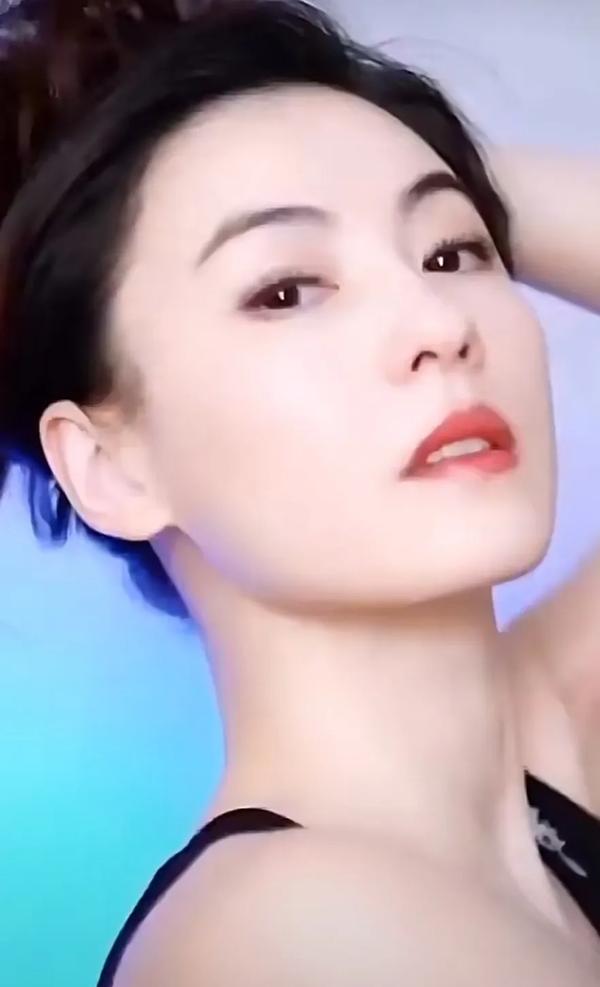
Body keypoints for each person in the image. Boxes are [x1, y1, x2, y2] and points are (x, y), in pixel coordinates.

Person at [0, 1, 599, 984]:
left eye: (453, 251)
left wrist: (394, 153)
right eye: (285, 290)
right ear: (110, 466)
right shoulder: (281, 940)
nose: (439, 323)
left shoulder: (557, 758)